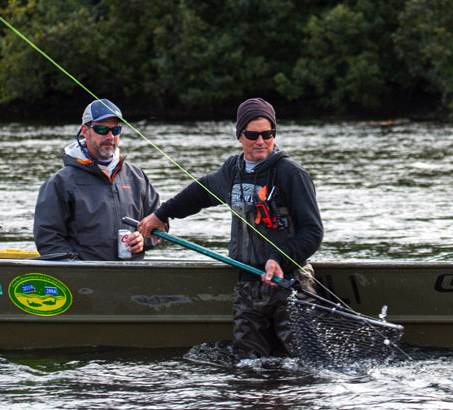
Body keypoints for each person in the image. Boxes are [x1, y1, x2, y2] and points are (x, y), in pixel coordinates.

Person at [138, 98, 323, 358]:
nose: (261, 141)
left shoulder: (292, 174)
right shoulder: (231, 171)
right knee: (248, 366)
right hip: (248, 286)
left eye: (268, 134)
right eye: (252, 135)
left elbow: (313, 232)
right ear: (239, 136)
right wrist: (161, 214)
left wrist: (278, 259)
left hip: (290, 283)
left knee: (304, 364)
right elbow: (198, 193)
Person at [33, 99, 159, 260]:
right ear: (85, 131)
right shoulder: (60, 182)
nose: (110, 136)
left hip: (132, 272)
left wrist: (144, 239)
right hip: (83, 274)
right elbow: (47, 238)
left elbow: (160, 223)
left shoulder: (137, 177)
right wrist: (77, 266)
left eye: (116, 130)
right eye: (102, 129)